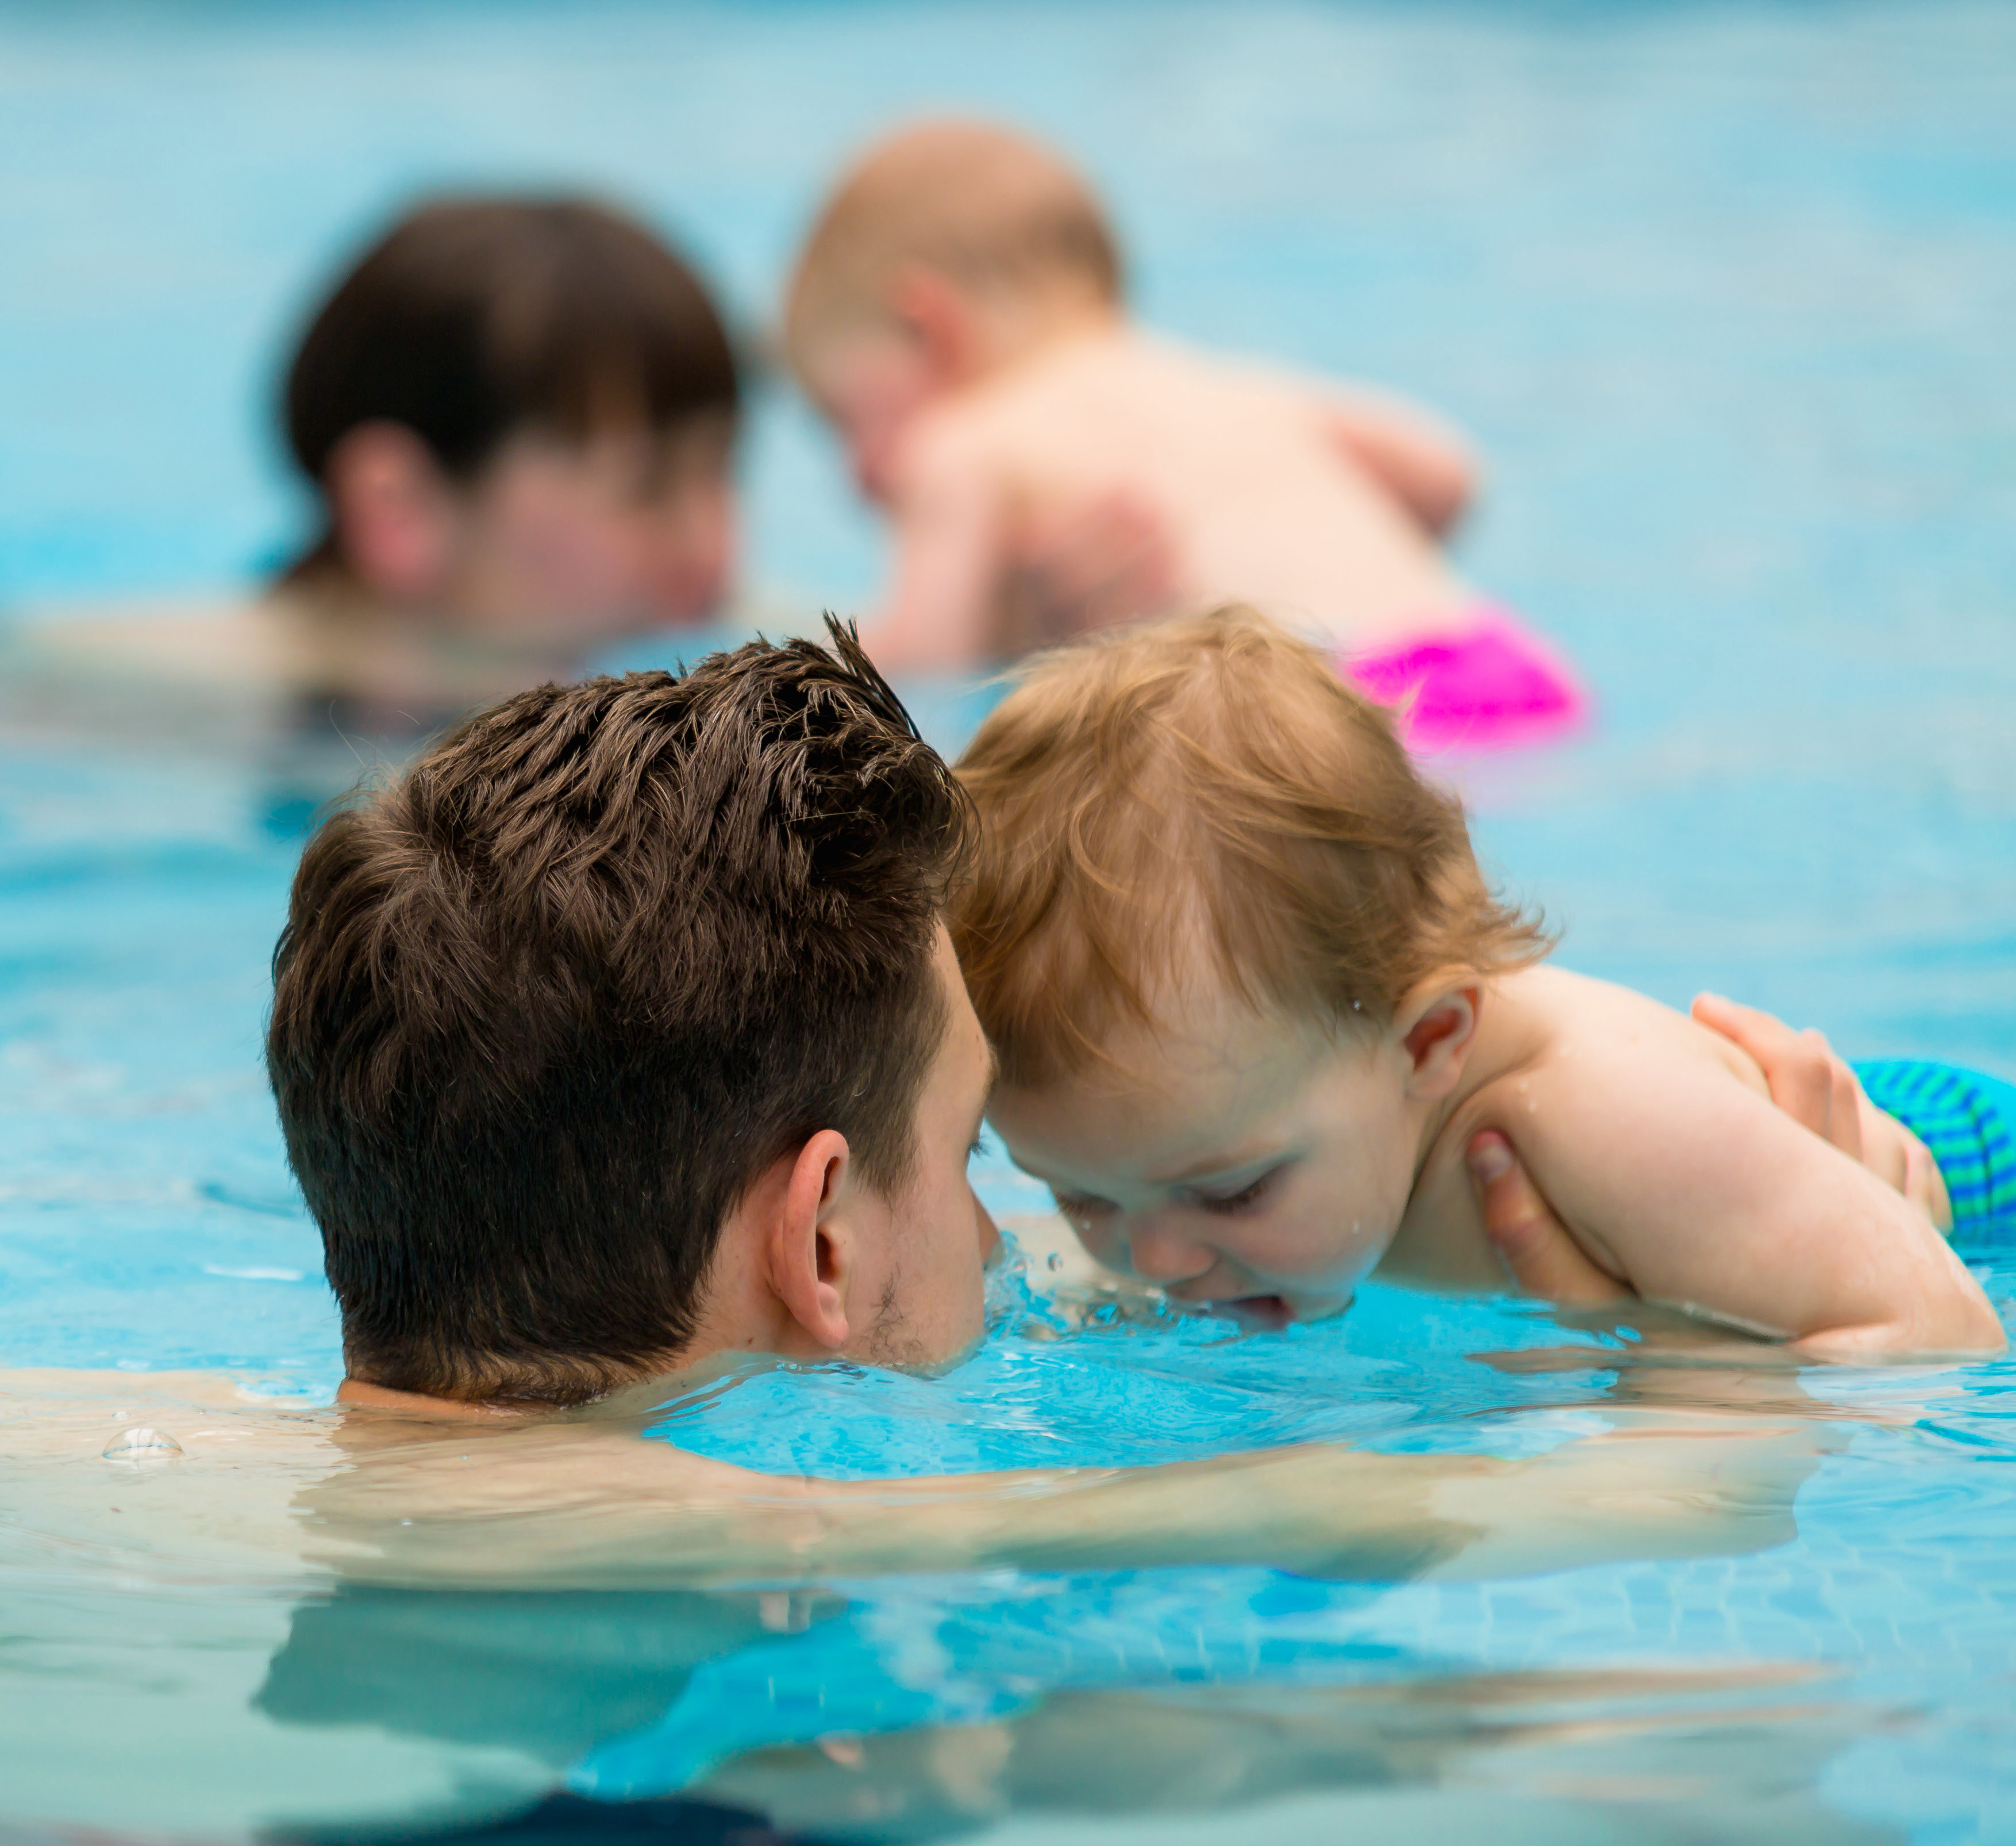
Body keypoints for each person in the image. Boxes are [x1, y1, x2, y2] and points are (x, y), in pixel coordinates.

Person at [952, 607, 2007, 1360]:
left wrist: (1676, 1390)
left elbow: (1936, 1332)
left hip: (1968, 1175)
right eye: (1082, 1191)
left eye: (1230, 1190)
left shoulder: (1603, 1114)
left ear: (1425, 1042)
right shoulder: (1272, 1111)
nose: (1155, 1257)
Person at [781, 118, 1584, 751]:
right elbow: (1447, 475)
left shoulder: (961, 439)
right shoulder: (1222, 382)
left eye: (846, 422)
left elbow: (918, 669)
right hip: (1498, 664)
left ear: (930, 333)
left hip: (1329, 719)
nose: (854, 479)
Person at [22, 197, 741, 740]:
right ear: (399, 509)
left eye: (723, 471)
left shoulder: (703, 638)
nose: (713, 542)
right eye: (646, 489)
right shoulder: (146, 698)